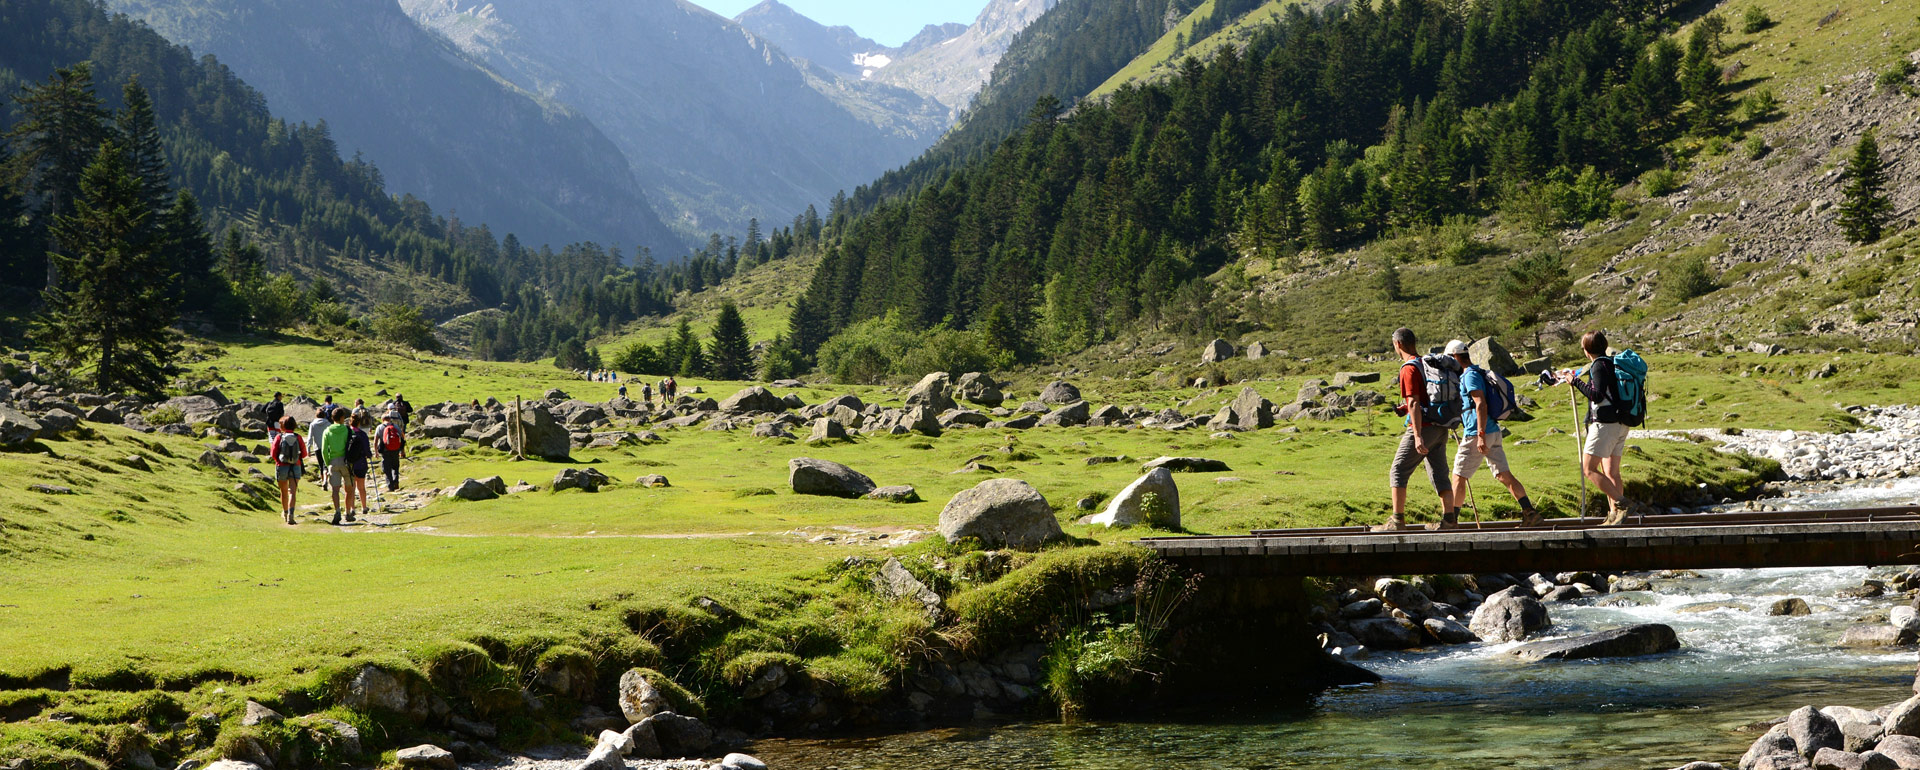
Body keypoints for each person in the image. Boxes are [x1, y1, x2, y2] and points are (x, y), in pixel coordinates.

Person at [1444, 340, 1541, 527]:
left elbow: (1480, 403)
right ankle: (1530, 513)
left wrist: (1480, 435)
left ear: (1456, 357)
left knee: (1458, 476)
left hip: (1477, 433)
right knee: (1503, 475)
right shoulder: (1476, 372)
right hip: (1493, 430)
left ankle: (1451, 521)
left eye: (1450, 359)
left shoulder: (1469, 376)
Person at [1377, 327, 1458, 531]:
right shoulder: (1426, 364)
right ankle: (1449, 520)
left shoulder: (1408, 368)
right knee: (1440, 474)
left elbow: (1414, 403)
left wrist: (1417, 435)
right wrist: (1405, 408)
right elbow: (1425, 397)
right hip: (1441, 428)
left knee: (1398, 471)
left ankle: (1397, 521)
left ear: (1398, 344)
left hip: (1424, 428)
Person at [1559, 330, 1632, 526]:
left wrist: (1574, 381)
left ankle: (1621, 504)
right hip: (1620, 423)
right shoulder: (1611, 363)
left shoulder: (1598, 365)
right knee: (1612, 472)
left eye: (1583, 347)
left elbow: (1597, 395)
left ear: (1588, 349)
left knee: (1588, 469)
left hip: (1605, 425)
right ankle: (1614, 515)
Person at [271, 416, 307, 525]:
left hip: (282, 466)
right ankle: (291, 514)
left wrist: (279, 461)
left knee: (284, 491)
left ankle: (285, 513)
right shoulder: (298, 437)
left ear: (282, 425)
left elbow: (273, 453)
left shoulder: (279, 437)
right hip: (296, 466)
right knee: (292, 492)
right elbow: (304, 454)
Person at [321, 408, 354, 525]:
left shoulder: (327, 431)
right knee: (349, 488)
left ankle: (337, 511)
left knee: (335, 489)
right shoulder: (347, 430)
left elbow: (324, 450)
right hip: (346, 462)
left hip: (333, 462)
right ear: (341, 418)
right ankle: (348, 512)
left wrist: (327, 463)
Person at [345, 409, 373, 522]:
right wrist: (369, 455)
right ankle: (364, 507)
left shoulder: (347, 434)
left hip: (349, 464)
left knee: (351, 488)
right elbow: (367, 450)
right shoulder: (362, 435)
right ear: (359, 423)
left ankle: (352, 508)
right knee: (361, 487)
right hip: (361, 463)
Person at [377, 411, 407, 492]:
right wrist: (402, 451)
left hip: (385, 451)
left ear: (382, 419)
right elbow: (402, 438)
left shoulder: (380, 427)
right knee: (395, 466)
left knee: (387, 469)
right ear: (390, 419)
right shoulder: (395, 426)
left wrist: (376, 452)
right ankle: (396, 481)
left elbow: (376, 440)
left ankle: (390, 486)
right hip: (395, 450)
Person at [307, 405, 333, 485]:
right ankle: (326, 479)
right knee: (326, 464)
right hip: (327, 446)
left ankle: (323, 481)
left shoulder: (313, 424)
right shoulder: (328, 424)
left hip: (317, 447)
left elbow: (310, 437)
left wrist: (308, 449)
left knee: (320, 465)